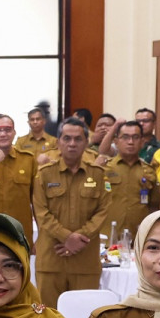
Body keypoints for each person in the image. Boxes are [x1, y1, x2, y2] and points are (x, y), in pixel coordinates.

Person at [31, 116, 111, 307]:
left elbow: (103, 210)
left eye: (78, 139)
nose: (72, 144)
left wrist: (78, 239)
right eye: (67, 138)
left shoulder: (98, 174)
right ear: (58, 142)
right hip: (51, 260)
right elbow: (41, 213)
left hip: (85, 261)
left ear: (86, 143)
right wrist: (67, 237)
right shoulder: (44, 174)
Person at [103, 120, 160, 235]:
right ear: (116, 141)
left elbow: (154, 206)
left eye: (135, 137)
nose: (130, 142)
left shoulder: (149, 171)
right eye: (125, 137)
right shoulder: (104, 168)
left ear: (142, 142)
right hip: (108, 234)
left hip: (139, 236)